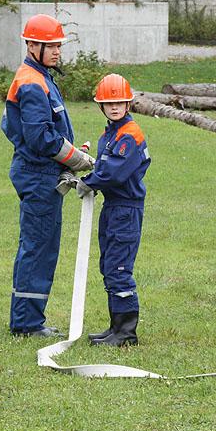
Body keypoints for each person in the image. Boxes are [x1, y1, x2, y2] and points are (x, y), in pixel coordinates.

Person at [2, 14, 94, 337]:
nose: (57, 51)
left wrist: (69, 150)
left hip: (42, 172)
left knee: (39, 246)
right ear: (32, 45)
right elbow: (40, 138)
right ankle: (27, 324)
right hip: (39, 175)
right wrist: (78, 157)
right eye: (51, 46)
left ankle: (28, 320)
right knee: (38, 248)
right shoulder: (32, 82)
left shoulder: (40, 76)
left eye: (58, 45)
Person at [76, 74, 151, 346]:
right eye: (109, 103)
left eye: (119, 102)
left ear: (128, 104)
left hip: (125, 209)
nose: (115, 107)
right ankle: (114, 327)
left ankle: (126, 333)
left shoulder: (129, 135)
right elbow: (104, 167)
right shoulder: (110, 133)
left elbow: (113, 174)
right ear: (101, 106)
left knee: (119, 268)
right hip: (112, 207)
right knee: (108, 266)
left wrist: (87, 182)